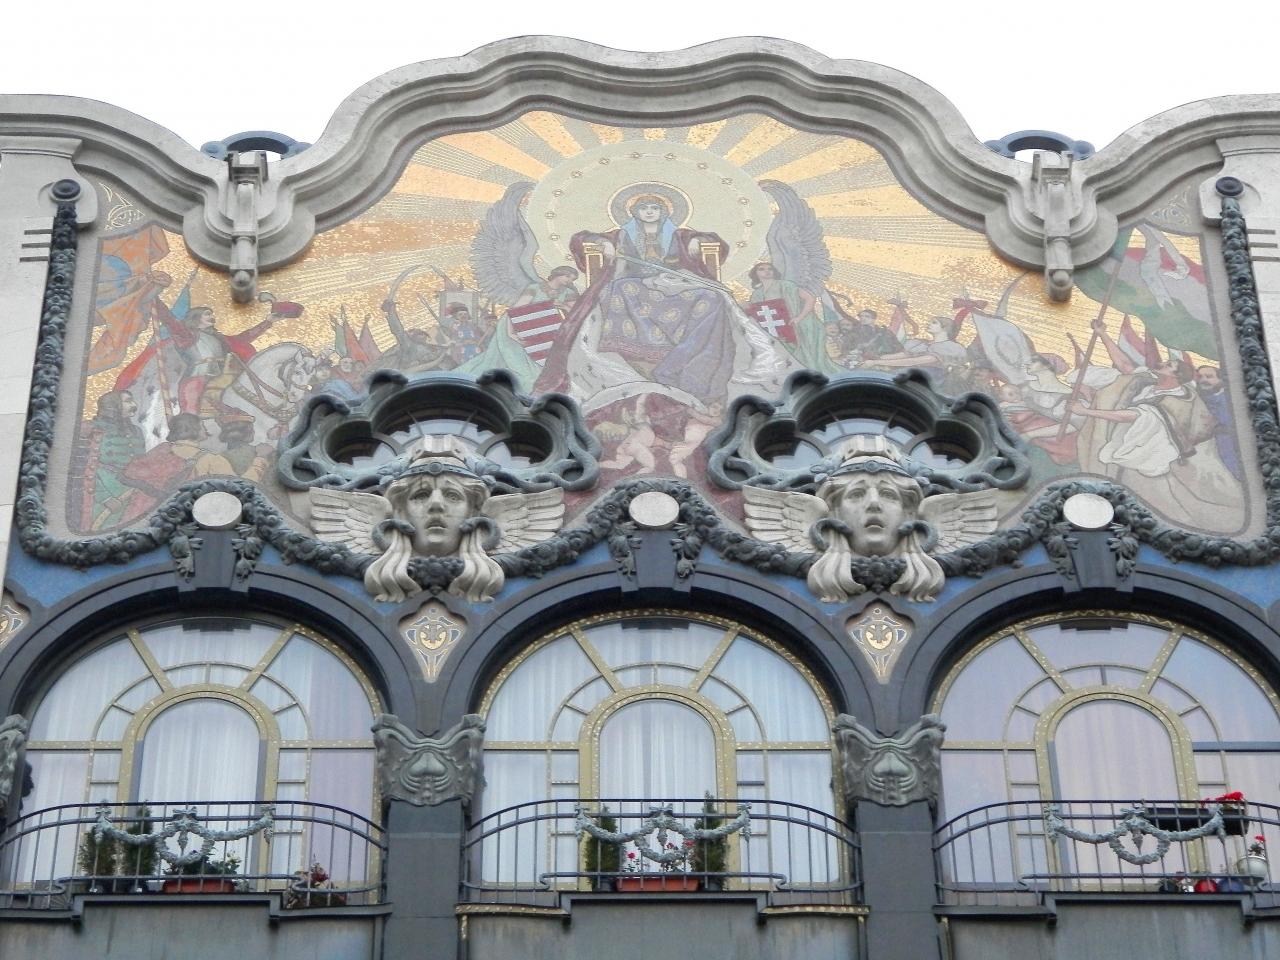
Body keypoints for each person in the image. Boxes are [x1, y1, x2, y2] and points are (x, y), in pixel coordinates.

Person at [533, 193, 792, 408]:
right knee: (621, 288)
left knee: (711, 297)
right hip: (635, 284)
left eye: (655, 208)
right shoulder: (621, 235)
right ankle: (636, 351)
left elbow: (714, 240)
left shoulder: (679, 236)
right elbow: (581, 238)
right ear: (634, 213)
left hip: (674, 284)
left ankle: (686, 356)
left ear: (664, 212)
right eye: (643, 208)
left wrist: (698, 241)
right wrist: (603, 242)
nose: (649, 212)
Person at [1071, 320, 1244, 529]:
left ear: (1176, 377)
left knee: (1156, 503)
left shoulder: (1175, 400)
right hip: (1128, 445)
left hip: (1147, 457)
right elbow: (1125, 365)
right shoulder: (1151, 382)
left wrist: (1086, 411)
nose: (1161, 364)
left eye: (1168, 366)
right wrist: (1102, 334)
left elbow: (1129, 416)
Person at [79, 390, 146, 530]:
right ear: (113, 405)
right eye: (128, 401)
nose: (134, 405)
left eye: (132, 400)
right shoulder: (89, 429)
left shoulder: (136, 431)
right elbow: (83, 467)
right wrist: (105, 498)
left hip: (133, 490)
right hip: (104, 489)